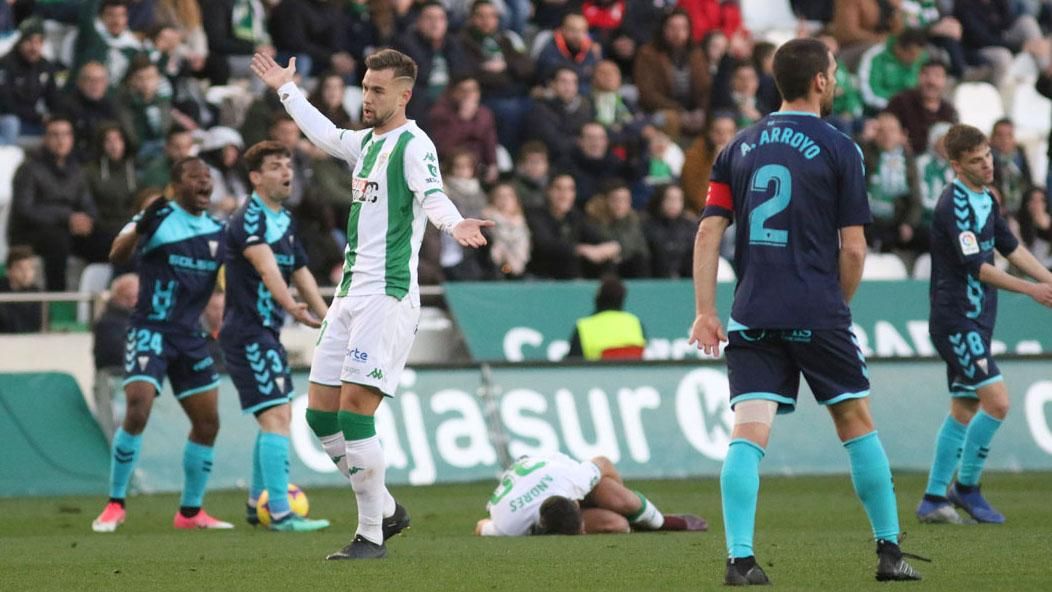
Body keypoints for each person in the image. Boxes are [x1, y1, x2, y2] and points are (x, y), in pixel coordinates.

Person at [688, 38, 923, 585]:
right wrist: (834, 308)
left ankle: (740, 560)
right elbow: (857, 248)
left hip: (751, 313)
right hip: (817, 311)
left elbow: (708, 231)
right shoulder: (841, 148)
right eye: (835, 72)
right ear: (819, 81)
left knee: (748, 435)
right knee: (856, 425)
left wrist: (705, 311)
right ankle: (889, 553)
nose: (836, 79)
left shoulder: (738, 147)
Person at [251, 48, 493, 560]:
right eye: (365, 86)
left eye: (378, 90)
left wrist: (456, 223)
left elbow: (432, 195)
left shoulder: (413, 143)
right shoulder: (366, 143)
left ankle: (371, 535)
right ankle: (385, 507)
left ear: (404, 95)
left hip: (388, 295)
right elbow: (322, 134)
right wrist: (286, 89)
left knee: (356, 414)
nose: (367, 97)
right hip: (349, 295)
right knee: (319, 417)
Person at [915, 124, 1052, 525]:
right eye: (976, 160)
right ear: (956, 165)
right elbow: (980, 269)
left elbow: (1010, 247)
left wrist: (1047, 278)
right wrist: (1031, 290)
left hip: (978, 318)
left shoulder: (986, 200)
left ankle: (932, 499)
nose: (988, 164)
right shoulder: (952, 205)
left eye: (988, 155)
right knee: (998, 401)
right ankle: (967, 488)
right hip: (956, 319)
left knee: (965, 405)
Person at [91, 156, 231, 533]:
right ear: (177, 184)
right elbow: (117, 255)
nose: (205, 183)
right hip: (150, 328)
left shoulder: (218, 232)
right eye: (195, 177)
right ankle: (115, 504)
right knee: (137, 409)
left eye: (208, 178)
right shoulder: (159, 217)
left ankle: (190, 512)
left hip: (189, 336)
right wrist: (140, 229)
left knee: (208, 422)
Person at [220, 141, 331, 532]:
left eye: (288, 165)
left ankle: (257, 504)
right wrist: (291, 307)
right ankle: (281, 513)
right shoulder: (248, 218)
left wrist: (327, 316)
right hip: (247, 332)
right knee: (277, 416)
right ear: (255, 177)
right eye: (275, 166)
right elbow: (268, 268)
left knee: (275, 412)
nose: (286, 172)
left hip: (265, 332)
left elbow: (300, 270)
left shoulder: (283, 218)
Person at [475, 453, 706, 536]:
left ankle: (665, 521)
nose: (584, 533)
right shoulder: (510, 526)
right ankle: (637, 522)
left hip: (555, 475)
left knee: (622, 500)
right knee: (617, 525)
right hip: (526, 490)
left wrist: (611, 492)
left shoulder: (574, 478)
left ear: (576, 504)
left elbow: (603, 462)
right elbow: (481, 525)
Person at [9, 116, 110, 291]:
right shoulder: (29, 168)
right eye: (55, 135)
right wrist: (66, 218)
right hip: (31, 232)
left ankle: (107, 297)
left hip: (68, 229)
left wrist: (87, 220)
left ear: (72, 139)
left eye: (66, 134)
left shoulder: (76, 170)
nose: (61, 140)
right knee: (57, 240)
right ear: (45, 138)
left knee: (106, 239)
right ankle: (57, 300)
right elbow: (24, 210)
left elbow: (88, 205)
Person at [92, 273, 139, 441]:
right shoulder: (108, 323)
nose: (136, 302)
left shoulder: (137, 321)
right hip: (117, 384)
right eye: (132, 297)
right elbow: (114, 354)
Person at [0, 18, 59, 144]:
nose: (34, 47)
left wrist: (55, 118)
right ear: (20, 41)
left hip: (32, 121)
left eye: (39, 42)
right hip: (7, 120)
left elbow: (54, 100)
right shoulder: (5, 64)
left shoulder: (45, 66)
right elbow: (7, 105)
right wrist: (39, 117)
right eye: (29, 41)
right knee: (11, 123)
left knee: (61, 127)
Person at [567, 275, 645, 360]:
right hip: (632, 373)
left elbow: (573, 365)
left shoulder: (583, 326)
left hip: (596, 373)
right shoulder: (635, 322)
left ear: (598, 297)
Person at [0, 246, 43, 333]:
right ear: (8, 271)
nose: (26, 273)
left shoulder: (38, 294)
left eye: (30, 268)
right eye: (20, 268)